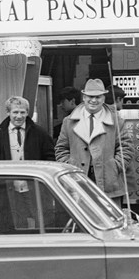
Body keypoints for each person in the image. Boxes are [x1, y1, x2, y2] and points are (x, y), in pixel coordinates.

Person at [55, 78, 134, 206]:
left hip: (109, 183)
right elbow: (61, 149)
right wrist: (70, 166)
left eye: (98, 97)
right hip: (78, 180)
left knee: (109, 221)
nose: (93, 100)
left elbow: (126, 147)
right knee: (82, 221)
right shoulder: (68, 121)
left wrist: (114, 167)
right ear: (84, 97)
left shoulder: (116, 121)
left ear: (103, 98)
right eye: (90, 96)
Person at [0, 96, 55, 230]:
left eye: (22, 112)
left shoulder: (40, 134)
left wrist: (51, 189)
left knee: (45, 225)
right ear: (8, 113)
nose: (19, 116)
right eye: (15, 112)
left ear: (27, 113)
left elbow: (50, 161)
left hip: (36, 190)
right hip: (9, 191)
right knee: (14, 229)